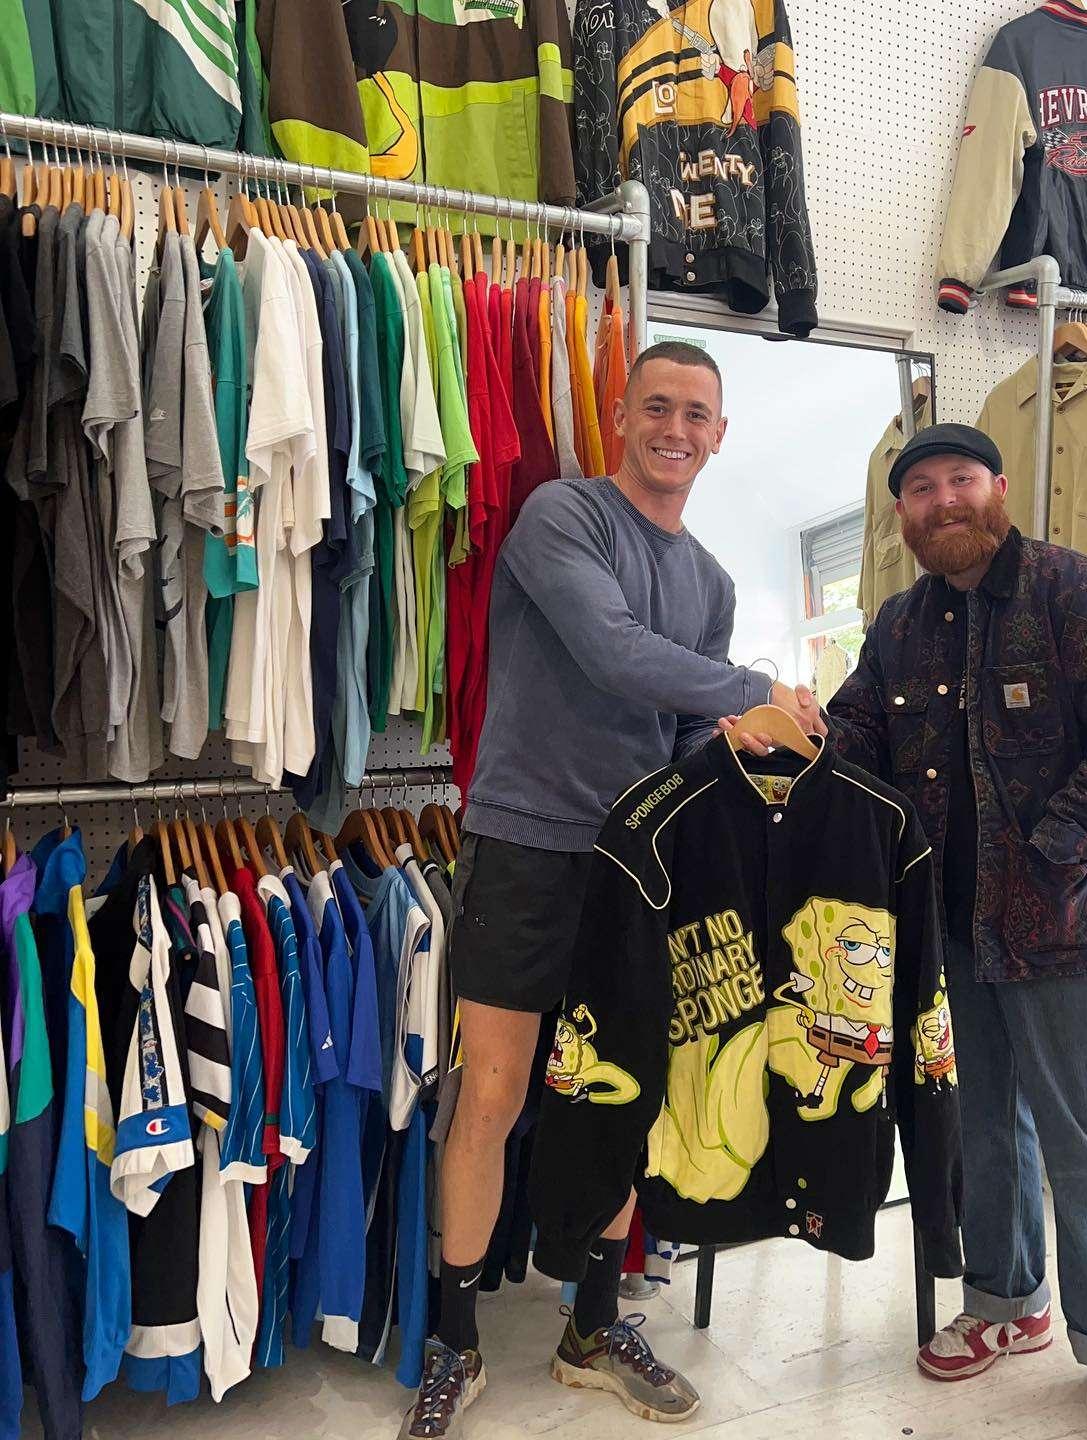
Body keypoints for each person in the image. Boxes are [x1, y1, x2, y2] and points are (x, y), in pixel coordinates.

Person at [729, 423, 1087, 1440]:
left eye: (961, 479)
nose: (943, 500)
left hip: (1074, 930)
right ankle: (1004, 1302)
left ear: (997, 488)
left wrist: (1056, 850)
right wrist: (789, 738)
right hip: (953, 929)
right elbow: (859, 738)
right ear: (902, 513)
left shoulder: (1081, 592)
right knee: (981, 1131)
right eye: (921, 488)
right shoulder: (902, 625)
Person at [405, 342, 814, 1438]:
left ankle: (591, 1328)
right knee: (492, 1096)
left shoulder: (711, 582)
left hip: (635, 866)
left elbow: (676, 734)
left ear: (719, 435)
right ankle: (455, 1341)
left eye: (697, 414)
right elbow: (612, 652)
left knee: (621, 1096)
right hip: (526, 846)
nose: (676, 429)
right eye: (658, 407)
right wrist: (757, 688)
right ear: (622, 415)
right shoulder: (563, 516)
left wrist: (744, 752)